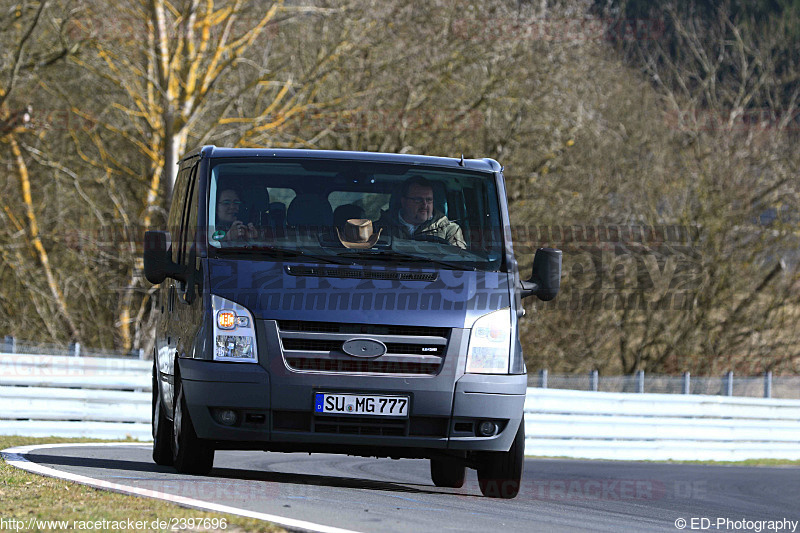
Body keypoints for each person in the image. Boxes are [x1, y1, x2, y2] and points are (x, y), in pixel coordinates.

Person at [375, 175, 466, 249]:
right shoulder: (378, 229)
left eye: (429, 200)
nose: (425, 205)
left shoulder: (449, 230)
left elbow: (460, 262)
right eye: (418, 200)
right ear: (404, 201)